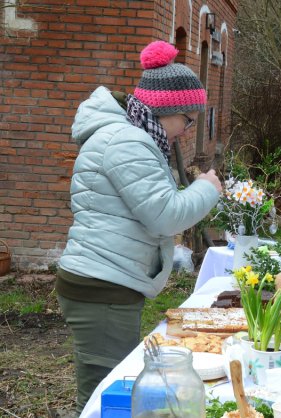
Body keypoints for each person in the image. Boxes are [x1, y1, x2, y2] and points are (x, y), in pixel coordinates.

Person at [55, 40, 223, 414]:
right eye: (187, 119)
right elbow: (164, 215)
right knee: (106, 396)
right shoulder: (127, 141)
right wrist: (206, 189)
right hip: (102, 288)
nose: (186, 129)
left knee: (108, 390)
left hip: (106, 283)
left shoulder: (132, 136)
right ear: (166, 110)